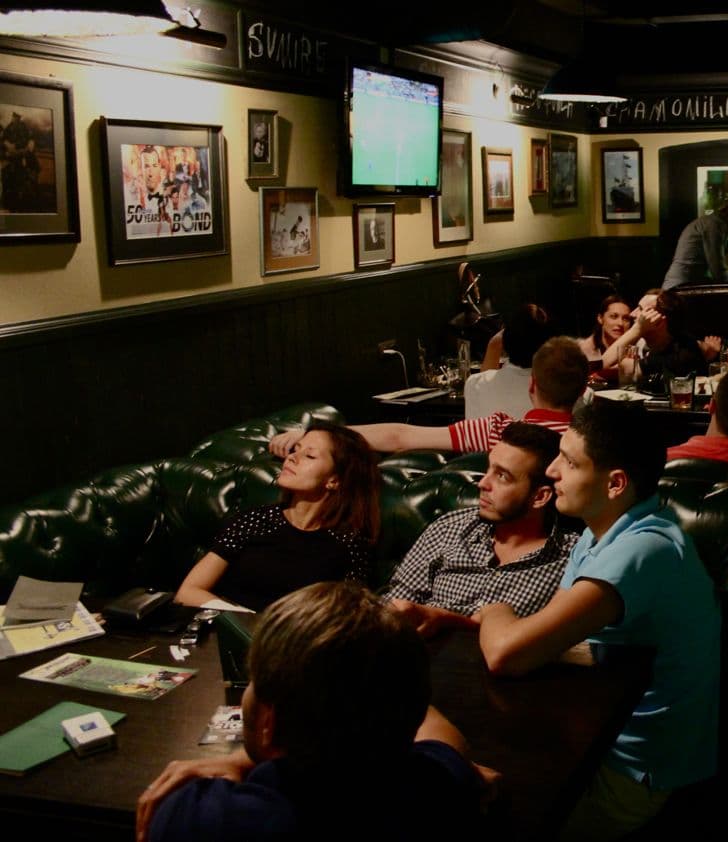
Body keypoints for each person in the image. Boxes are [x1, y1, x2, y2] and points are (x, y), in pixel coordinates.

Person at [473, 399, 719, 840]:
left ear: (615, 483)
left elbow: (506, 652)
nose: (551, 471)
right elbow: (556, 634)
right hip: (596, 732)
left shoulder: (644, 550)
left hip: (633, 771)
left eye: (568, 462)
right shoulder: (600, 531)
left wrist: (496, 610)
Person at [136, 582, 490, 842]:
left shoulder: (201, 815)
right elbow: (446, 738)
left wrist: (245, 759)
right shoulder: (434, 788)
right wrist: (386, 665)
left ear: (269, 724)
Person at [386, 422, 576, 634]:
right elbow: (397, 604)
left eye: (502, 476)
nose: (483, 483)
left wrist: (446, 620)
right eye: (489, 469)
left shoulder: (569, 560)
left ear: (539, 497)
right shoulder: (450, 528)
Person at [176, 423, 380, 612]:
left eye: (309, 456)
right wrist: (245, 623)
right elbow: (188, 592)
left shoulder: (348, 544)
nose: (292, 457)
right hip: (230, 633)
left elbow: (348, 616)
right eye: (295, 449)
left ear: (334, 480)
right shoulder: (254, 521)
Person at [269, 337, 589, 457]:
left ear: (531, 385)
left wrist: (314, 435)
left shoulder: (498, 431)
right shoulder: (593, 444)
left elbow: (399, 436)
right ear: (584, 390)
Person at [466, 303, 553, 420]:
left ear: (506, 337)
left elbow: (484, 381)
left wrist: (493, 345)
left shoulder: (474, 385)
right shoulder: (566, 391)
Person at [601, 289, 708, 381]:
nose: (632, 314)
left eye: (641, 309)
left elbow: (603, 366)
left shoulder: (678, 355)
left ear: (659, 320)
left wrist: (638, 328)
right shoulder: (655, 346)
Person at [662, 198, 728, 290]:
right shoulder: (714, 226)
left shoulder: (709, 222)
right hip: (683, 284)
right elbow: (717, 266)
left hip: (681, 281)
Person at [578, 294, 633, 375]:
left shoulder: (633, 349)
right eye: (614, 316)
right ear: (600, 318)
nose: (620, 323)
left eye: (626, 318)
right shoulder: (584, 349)